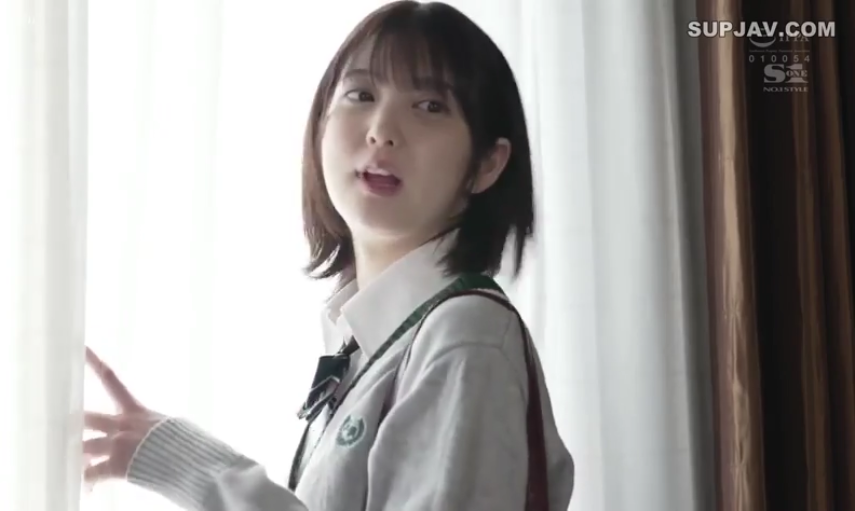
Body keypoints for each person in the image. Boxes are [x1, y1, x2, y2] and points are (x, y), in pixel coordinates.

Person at [81, 1, 575, 510]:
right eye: (362, 95)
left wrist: (197, 469)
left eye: (430, 106)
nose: (382, 130)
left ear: (487, 163)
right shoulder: (372, 338)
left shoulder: (465, 335)